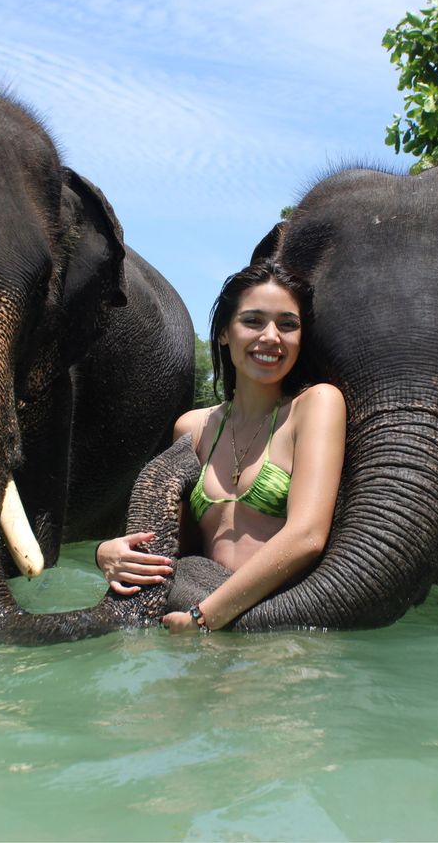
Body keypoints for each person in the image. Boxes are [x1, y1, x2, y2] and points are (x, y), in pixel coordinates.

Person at [95, 260, 346, 633]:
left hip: (276, 628)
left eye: (287, 325)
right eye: (253, 321)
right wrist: (109, 554)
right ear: (226, 332)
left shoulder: (315, 406)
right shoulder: (193, 427)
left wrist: (205, 616)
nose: (271, 337)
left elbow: (307, 536)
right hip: (194, 620)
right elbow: (175, 542)